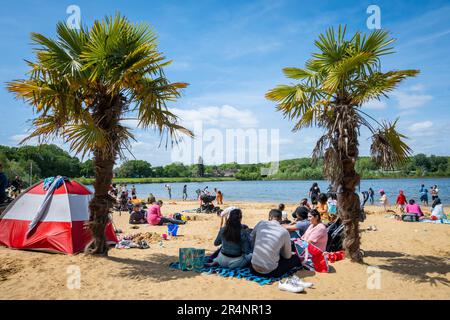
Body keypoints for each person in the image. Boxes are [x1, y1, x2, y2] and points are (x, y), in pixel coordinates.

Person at [249, 209, 301, 278]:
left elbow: (251, 238)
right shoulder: (284, 231)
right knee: (295, 258)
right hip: (271, 272)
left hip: (253, 268)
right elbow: (287, 256)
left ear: (269, 217)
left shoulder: (261, 223)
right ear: (281, 218)